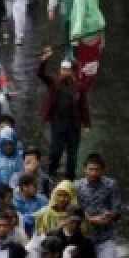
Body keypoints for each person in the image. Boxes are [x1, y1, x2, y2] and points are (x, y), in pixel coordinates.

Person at [35, 48, 90, 180]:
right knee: (56, 151)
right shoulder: (54, 82)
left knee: (72, 154)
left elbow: (84, 106)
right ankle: (51, 173)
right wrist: (44, 61)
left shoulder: (79, 87)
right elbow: (41, 74)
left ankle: (70, 178)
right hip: (58, 123)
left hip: (73, 125)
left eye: (67, 70)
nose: (64, 72)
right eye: (62, 70)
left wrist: (86, 124)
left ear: (72, 71)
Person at [74, 154, 123, 258]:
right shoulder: (77, 186)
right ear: (85, 169)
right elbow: (73, 211)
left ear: (102, 170)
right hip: (84, 238)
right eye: (91, 169)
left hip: (106, 236)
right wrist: (90, 219)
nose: (94, 172)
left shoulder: (111, 185)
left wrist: (109, 216)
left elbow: (118, 210)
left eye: (97, 169)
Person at [69, 0, 106, 83]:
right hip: (97, 34)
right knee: (93, 62)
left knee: (83, 63)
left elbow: (80, 17)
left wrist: (75, 36)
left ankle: (82, 86)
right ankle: (89, 82)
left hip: (84, 36)